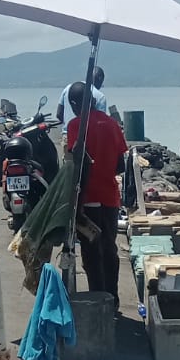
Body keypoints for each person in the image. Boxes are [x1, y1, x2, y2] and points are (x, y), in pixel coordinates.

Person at [64, 80, 129, 304]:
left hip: (87, 198)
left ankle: (97, 297)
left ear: (74, 103)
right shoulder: (111, 124)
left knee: (92, 253)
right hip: (110, 196)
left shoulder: (75, 126)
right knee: (109, 248)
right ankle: (113, 296)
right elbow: (121, 165)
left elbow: (75, 162)